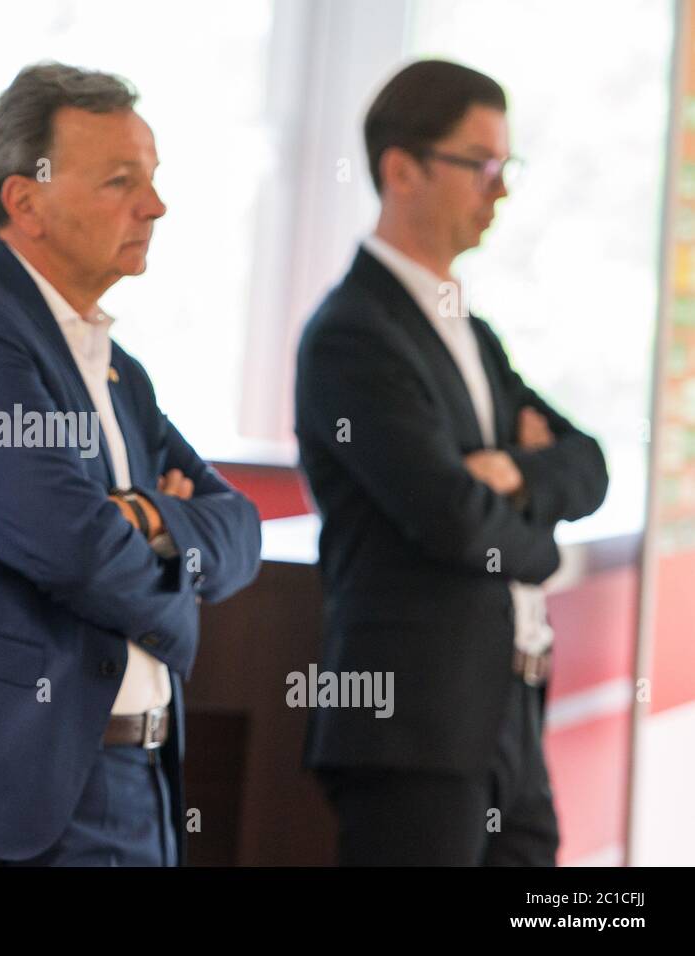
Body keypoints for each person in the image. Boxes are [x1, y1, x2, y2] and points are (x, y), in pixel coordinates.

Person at [0, 62, 262, 866]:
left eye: (152, 179)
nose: (154, 205)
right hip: (30, 802)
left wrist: (152, 516)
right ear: (26, 201)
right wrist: (173, 582)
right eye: (121, 181)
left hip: (145, 778)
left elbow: (240, 527)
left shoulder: (119, 365)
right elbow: (76, 547)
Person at [294, 59, 609, 865]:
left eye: (507, 165)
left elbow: (589, 463)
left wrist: (509, 472)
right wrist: (551, 550)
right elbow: (450, 517)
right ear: (402, 169)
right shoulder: (353, 335)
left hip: (508, 709)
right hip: (414, 725)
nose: (499, 189)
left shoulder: (471, 330)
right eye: (481, 164)